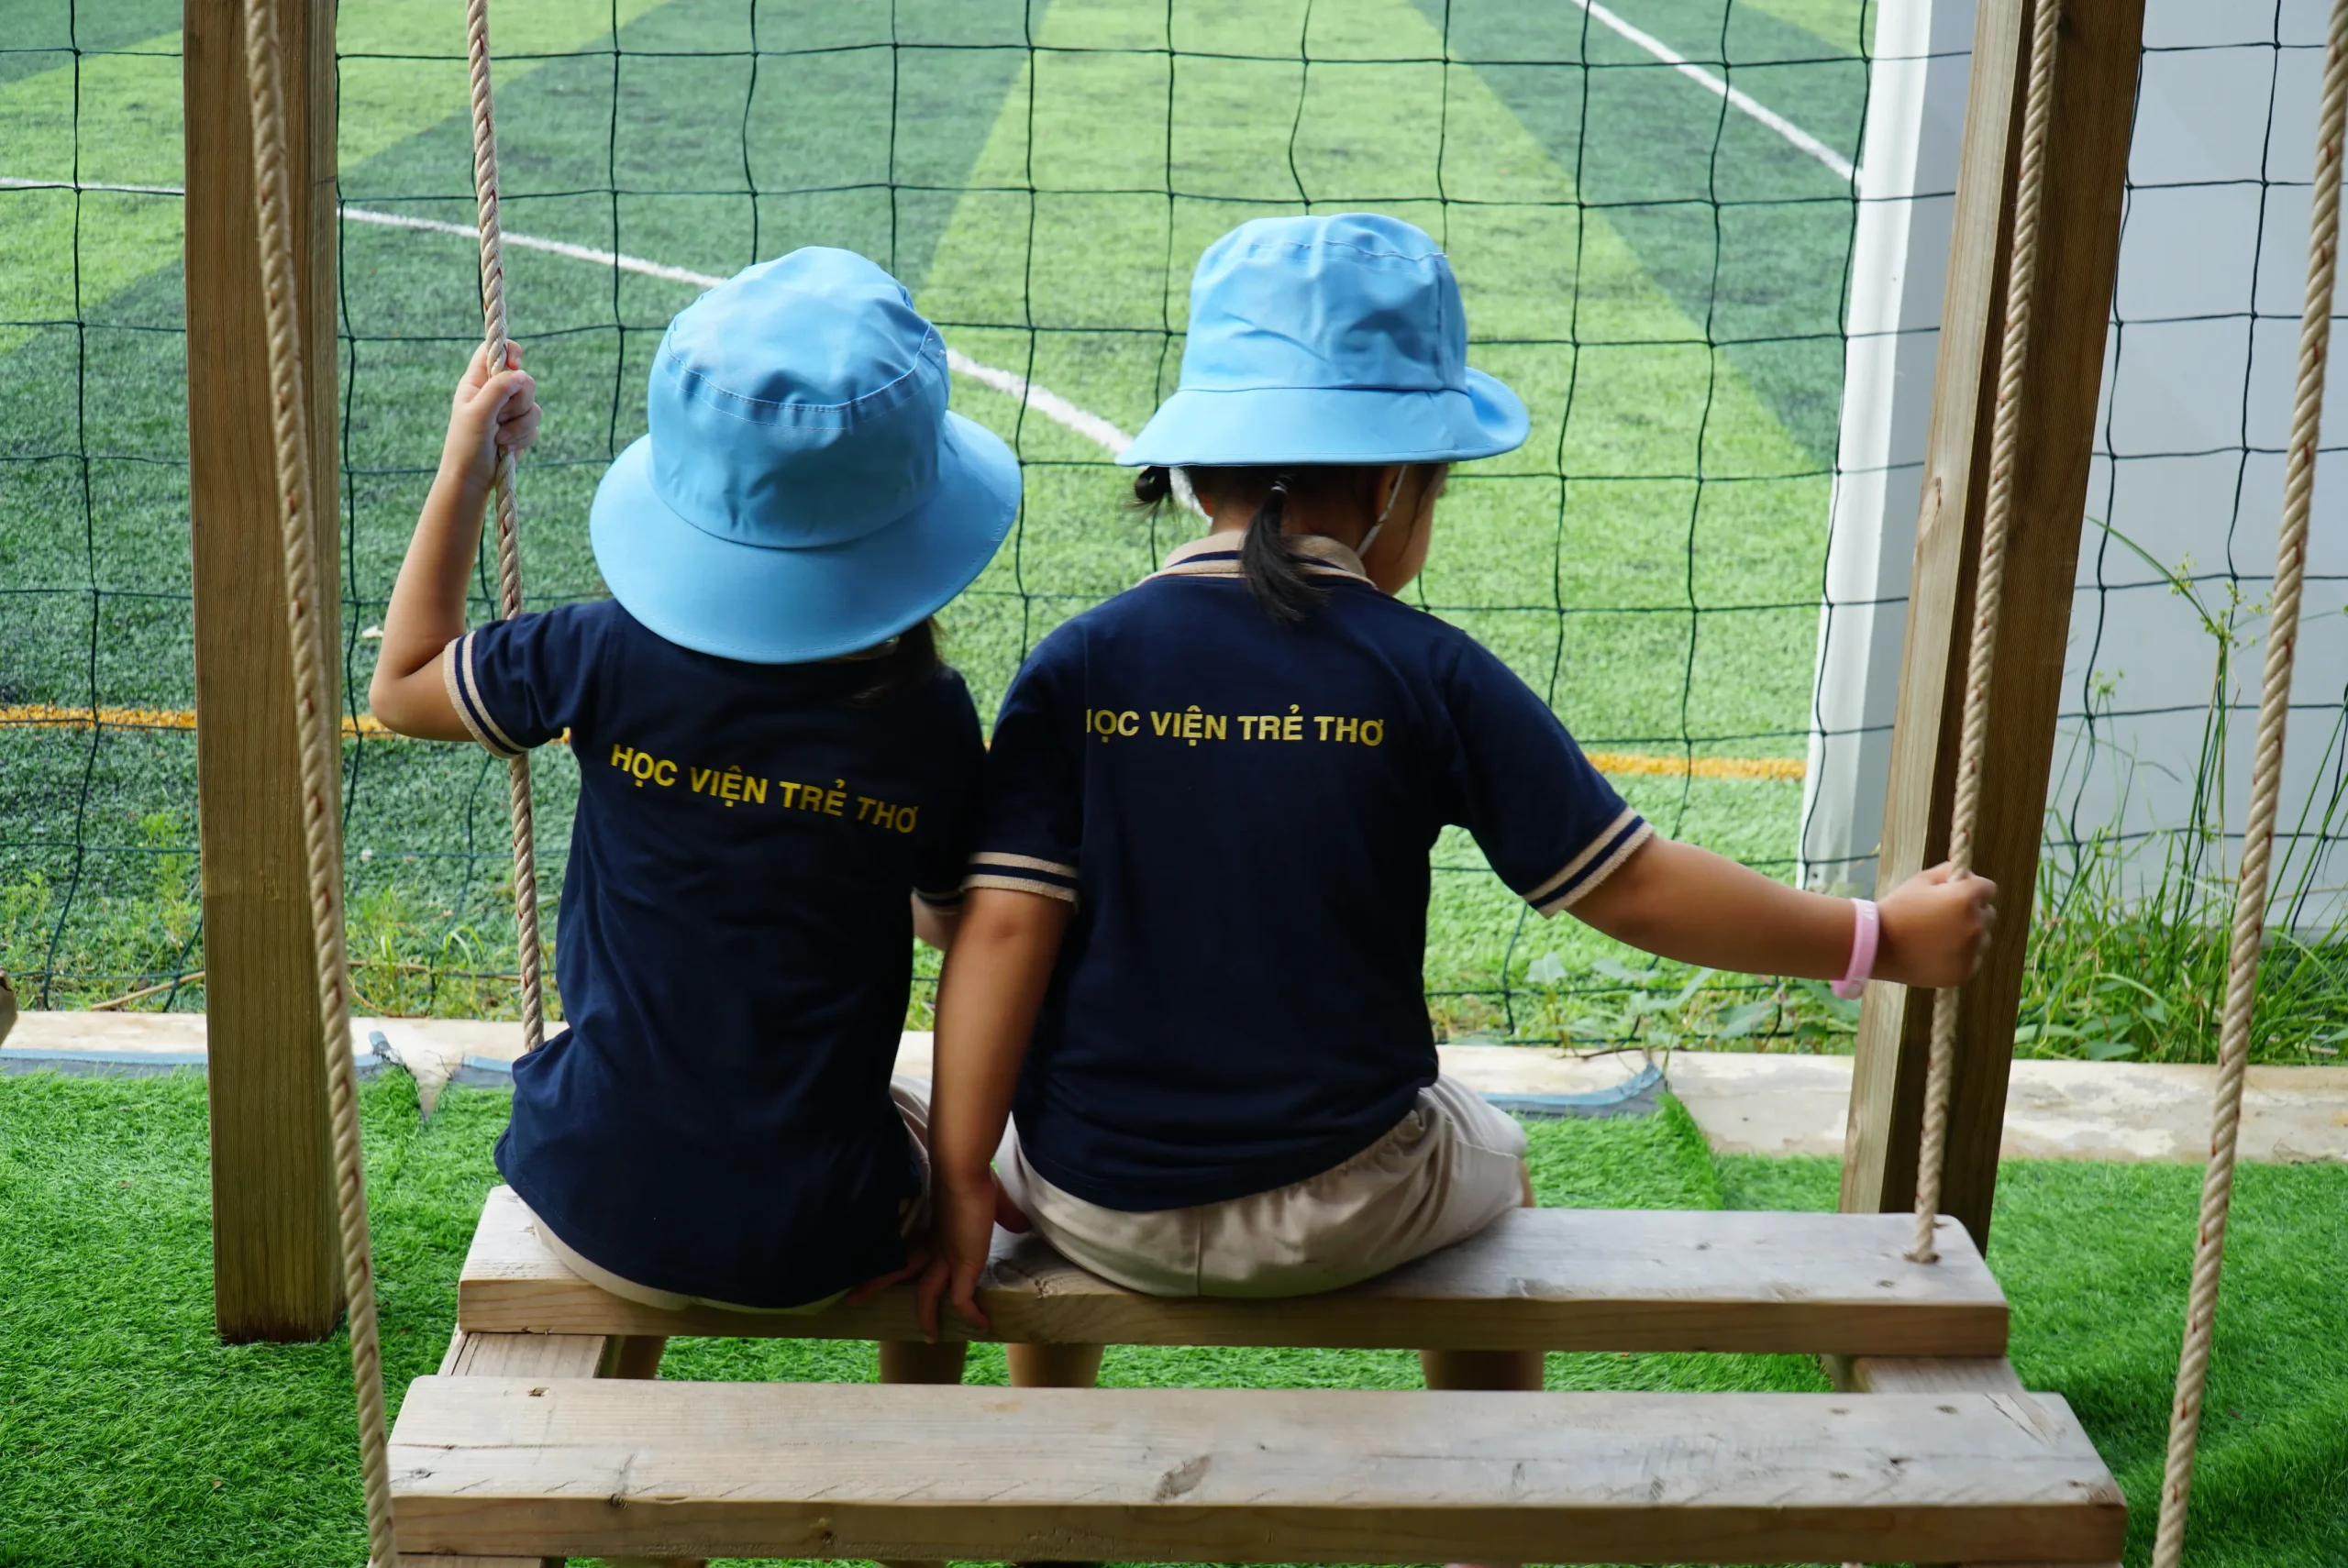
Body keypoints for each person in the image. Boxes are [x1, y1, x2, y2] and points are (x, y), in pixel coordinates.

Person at [916, 213, 1996, 1399]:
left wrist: (966, 1169)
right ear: (1394, 484)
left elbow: (1001, 928)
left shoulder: (1077, 665)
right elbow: (1633, 887)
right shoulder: (1428, 670)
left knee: (1047, 1113)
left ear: (1190, 469)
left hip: (1097, 1200)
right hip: (1347, 1206)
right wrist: (1875, 937)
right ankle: (1490, 1467)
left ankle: (1046, 1420)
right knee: (1498, 1152)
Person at [370, 248, 1018, 1393]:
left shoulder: (602, 652)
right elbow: (940, 920)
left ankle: (633, 1448)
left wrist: (467, 466)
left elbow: (403, 685)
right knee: (919, 1131)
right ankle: (915, 1443)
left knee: (664, 1142)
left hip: (591, 1195)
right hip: (820, 1234)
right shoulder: (923, 715)